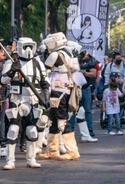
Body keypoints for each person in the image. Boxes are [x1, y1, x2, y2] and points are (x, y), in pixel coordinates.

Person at [1, 37, 50, 170]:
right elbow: (3, 81)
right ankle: (10, 160)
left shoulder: (38, 64)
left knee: (32, 130)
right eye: (25, 46)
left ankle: (31, 158)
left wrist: (45, 98)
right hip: (16, 99)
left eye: (30, 46)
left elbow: (45, 83)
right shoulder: (11, 63)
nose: (28, 50)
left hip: (33, 100)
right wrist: (12, 71)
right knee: (13, 130)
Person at [39, 32, 81, 161]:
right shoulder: (68, 53)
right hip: (64, 90)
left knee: (61, 121)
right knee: (54, 121)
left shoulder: (55, 54)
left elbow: (43, 70)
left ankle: (72, 151)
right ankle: (52, 150)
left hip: (57, 91)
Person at [77, 50, 98, 140]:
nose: (83, 55)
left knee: (87, 110)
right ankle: (70, 131)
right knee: (73, 111)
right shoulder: (75, 60)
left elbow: (94, 74)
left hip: (85, 88)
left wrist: (84, 72)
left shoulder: (91, 61)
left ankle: (90, 131)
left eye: (84, 54)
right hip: (75, 88)